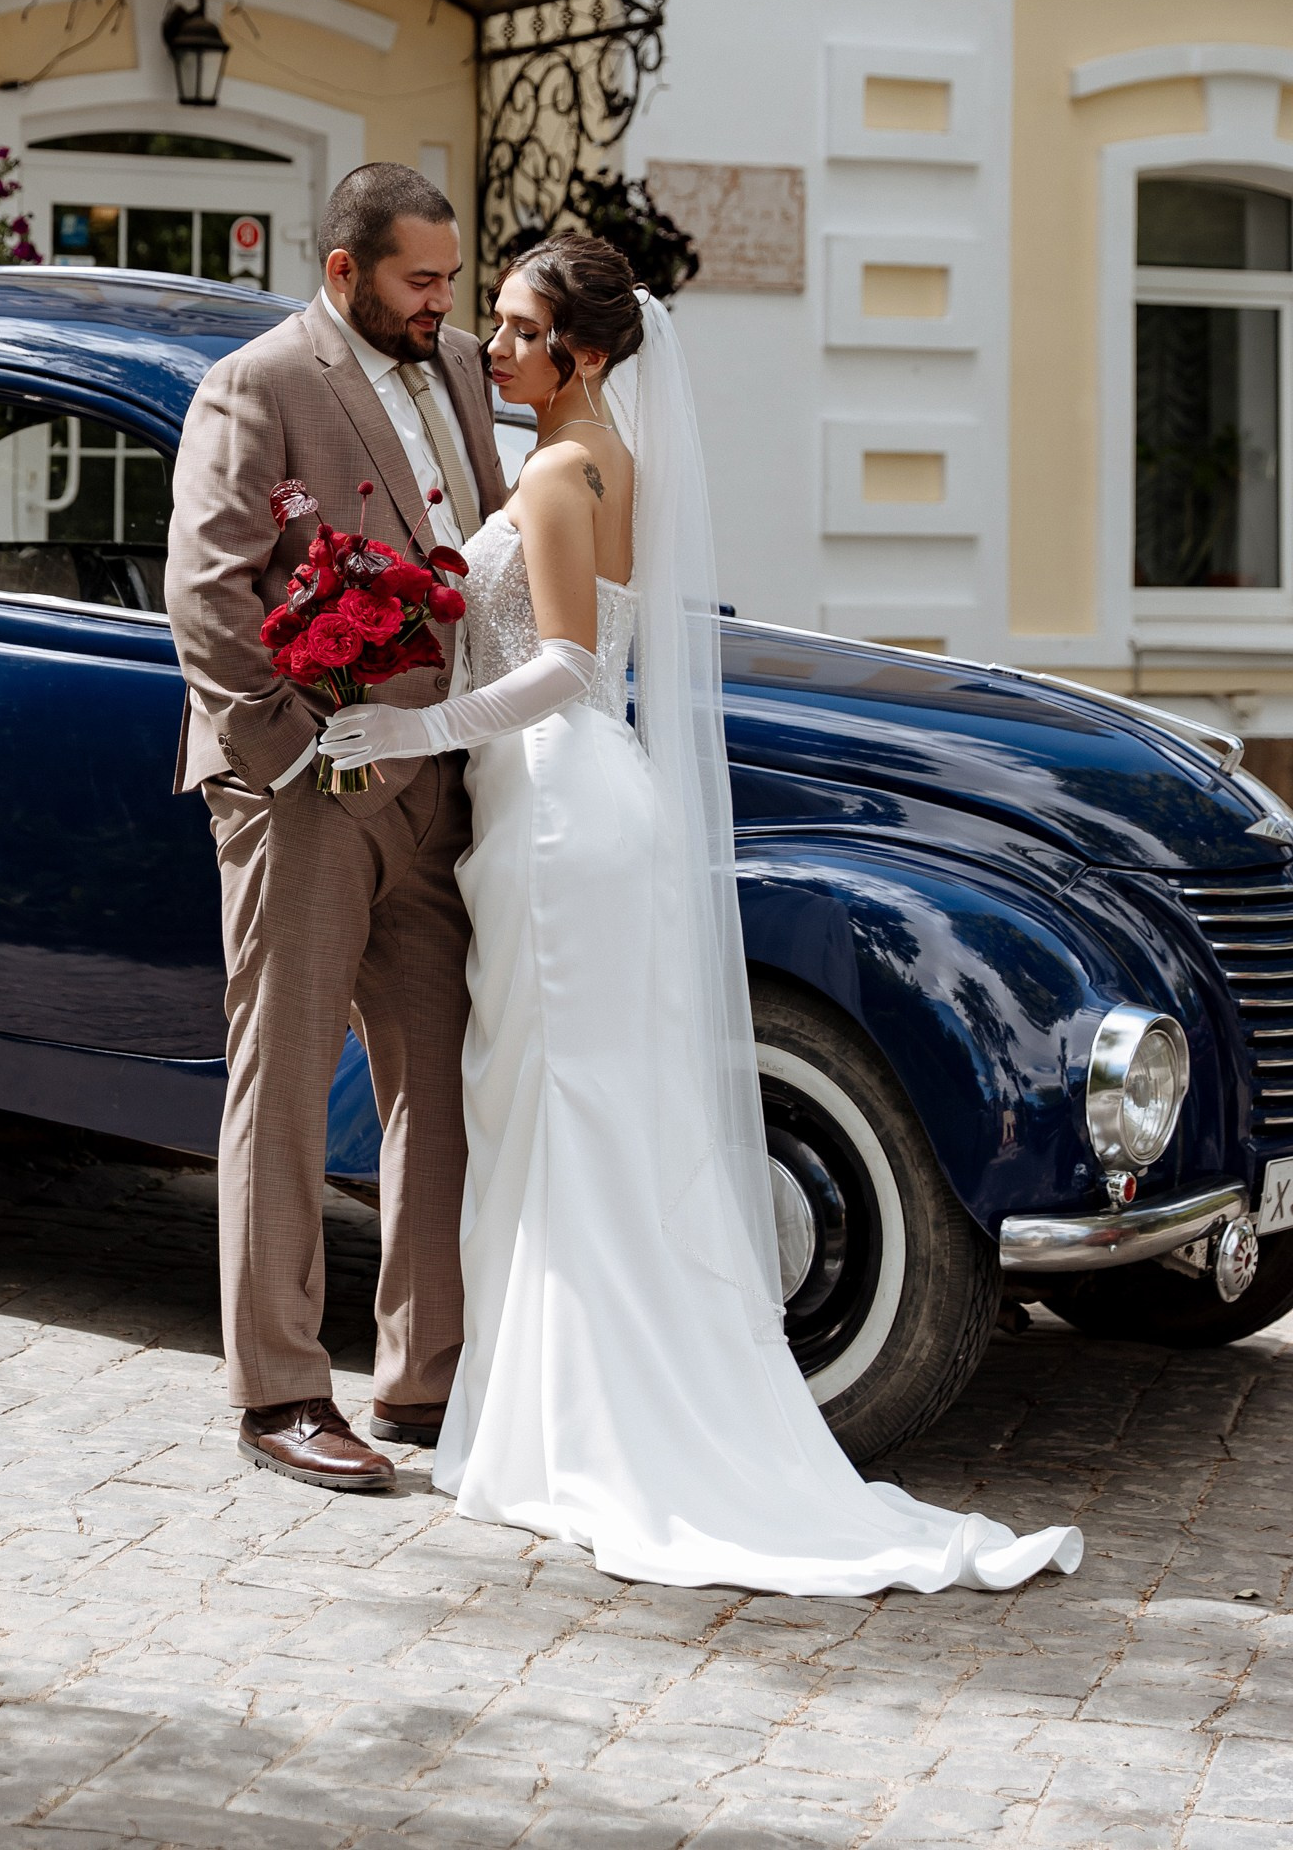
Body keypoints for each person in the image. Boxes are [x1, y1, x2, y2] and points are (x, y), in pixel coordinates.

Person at [319, 234, 1083, 1595]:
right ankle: (552, 1411)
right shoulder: (611, 458)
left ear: (583, 354)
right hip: (585, 802)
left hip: (558, 810)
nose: (494, 346)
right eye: (496, 323)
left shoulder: (556, 472)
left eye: (519, 330)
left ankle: (576, 1433)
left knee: (560, 1111)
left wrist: (409, 724)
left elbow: (564, 665)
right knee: (568, 1111)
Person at [166, 163, 507, 1492]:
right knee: (288, 1077)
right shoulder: (256, 384)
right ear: (344, 272)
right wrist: (295, 754)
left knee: (440, 1076)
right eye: (420, 280)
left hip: (443, 774)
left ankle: (424, 1379)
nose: (442, 303)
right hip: (304, 788)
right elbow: (208, 595)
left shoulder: (461, 366)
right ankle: (281, 1392)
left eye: (451, 278)